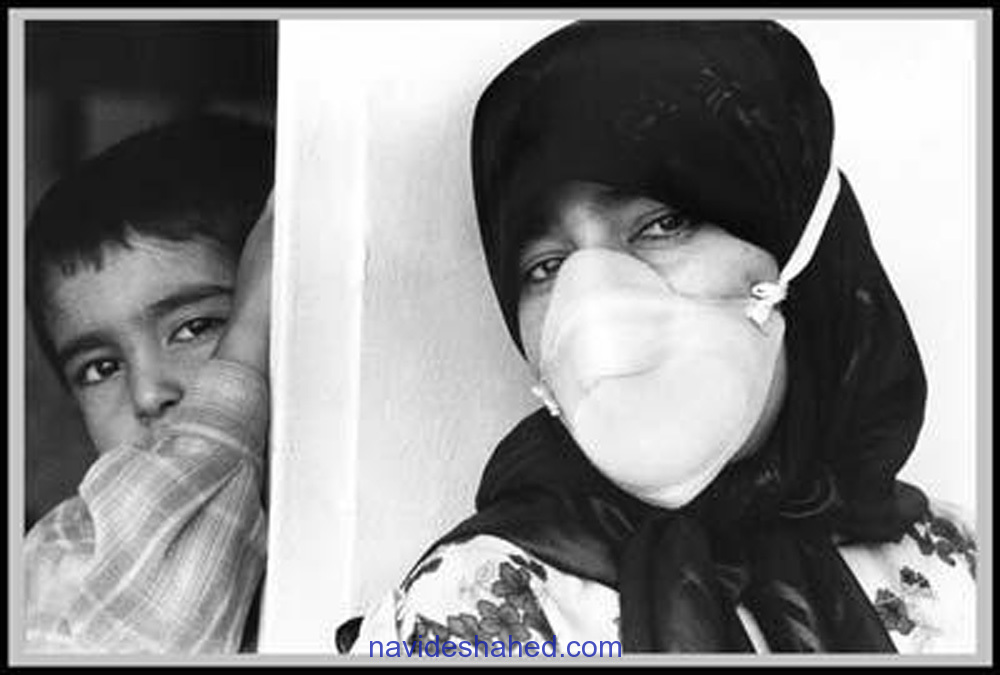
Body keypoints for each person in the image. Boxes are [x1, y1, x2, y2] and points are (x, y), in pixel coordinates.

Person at [346, 21, 976, 654]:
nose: (596, 299)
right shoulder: (466, 613)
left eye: (663, 224)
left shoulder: (960, 572)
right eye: (545, 266)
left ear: (799, 250)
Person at [23, 114, 274, 653]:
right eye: (101, 368)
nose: (147, 394)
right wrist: (244, 344)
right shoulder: (65, 552)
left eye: (195, 327)